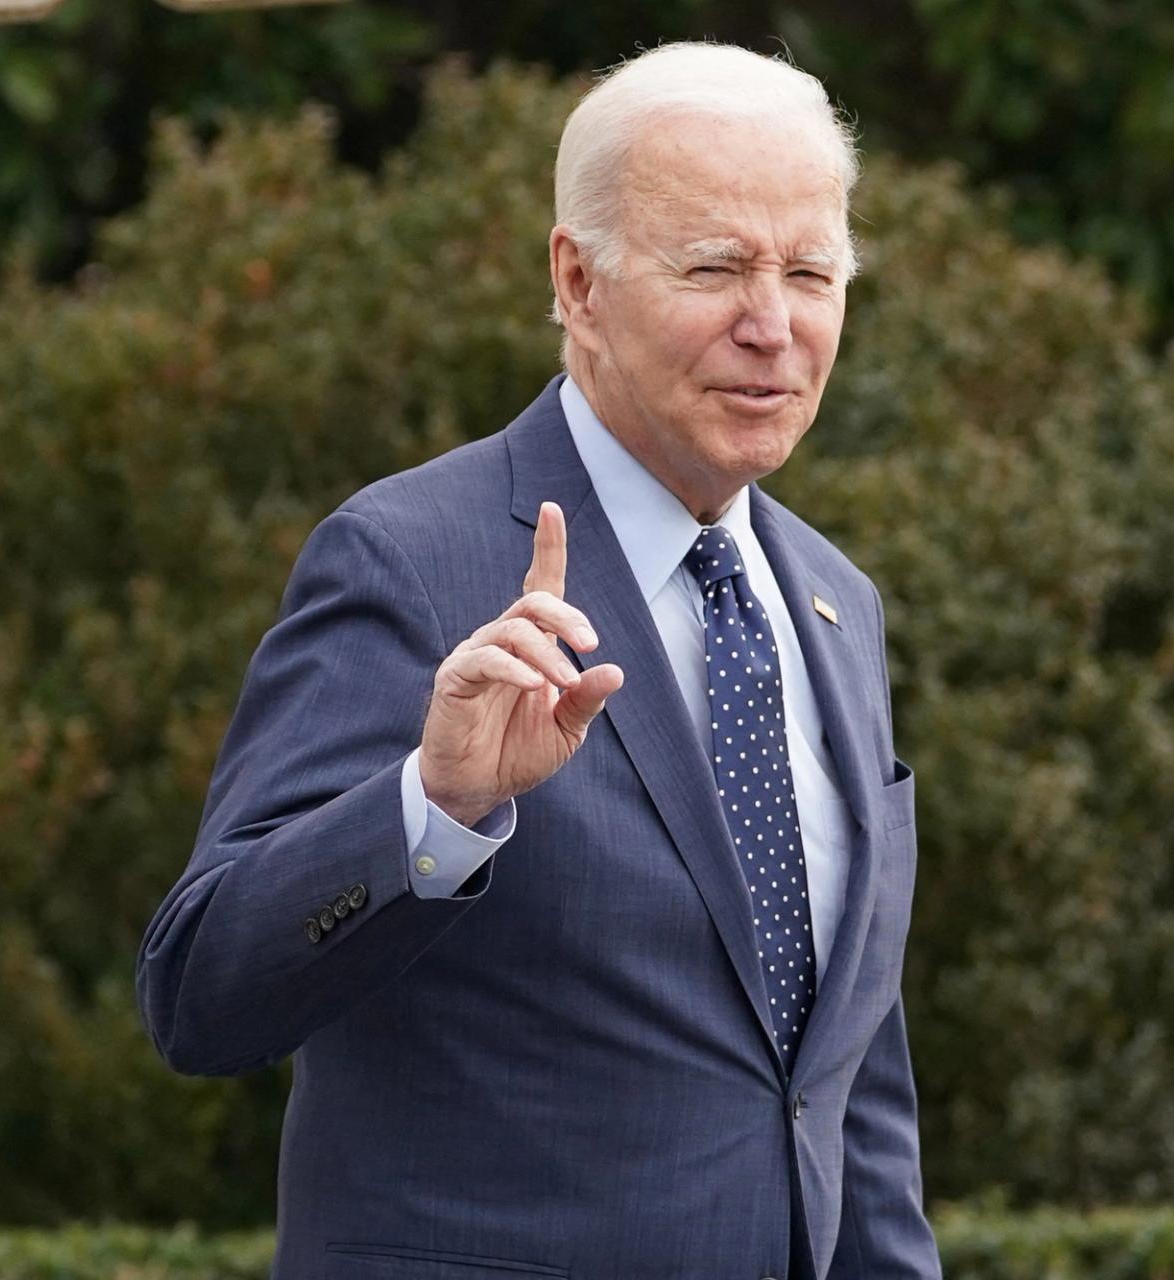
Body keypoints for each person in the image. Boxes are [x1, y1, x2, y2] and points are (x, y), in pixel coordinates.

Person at [135, 40, 940, 1280]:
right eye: (715, 266)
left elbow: (846, 1079)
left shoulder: (837, 601)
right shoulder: (410, 560)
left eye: (811, 271)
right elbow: (200, 991)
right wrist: (436, 806)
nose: (771, 325)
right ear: (577, 281)